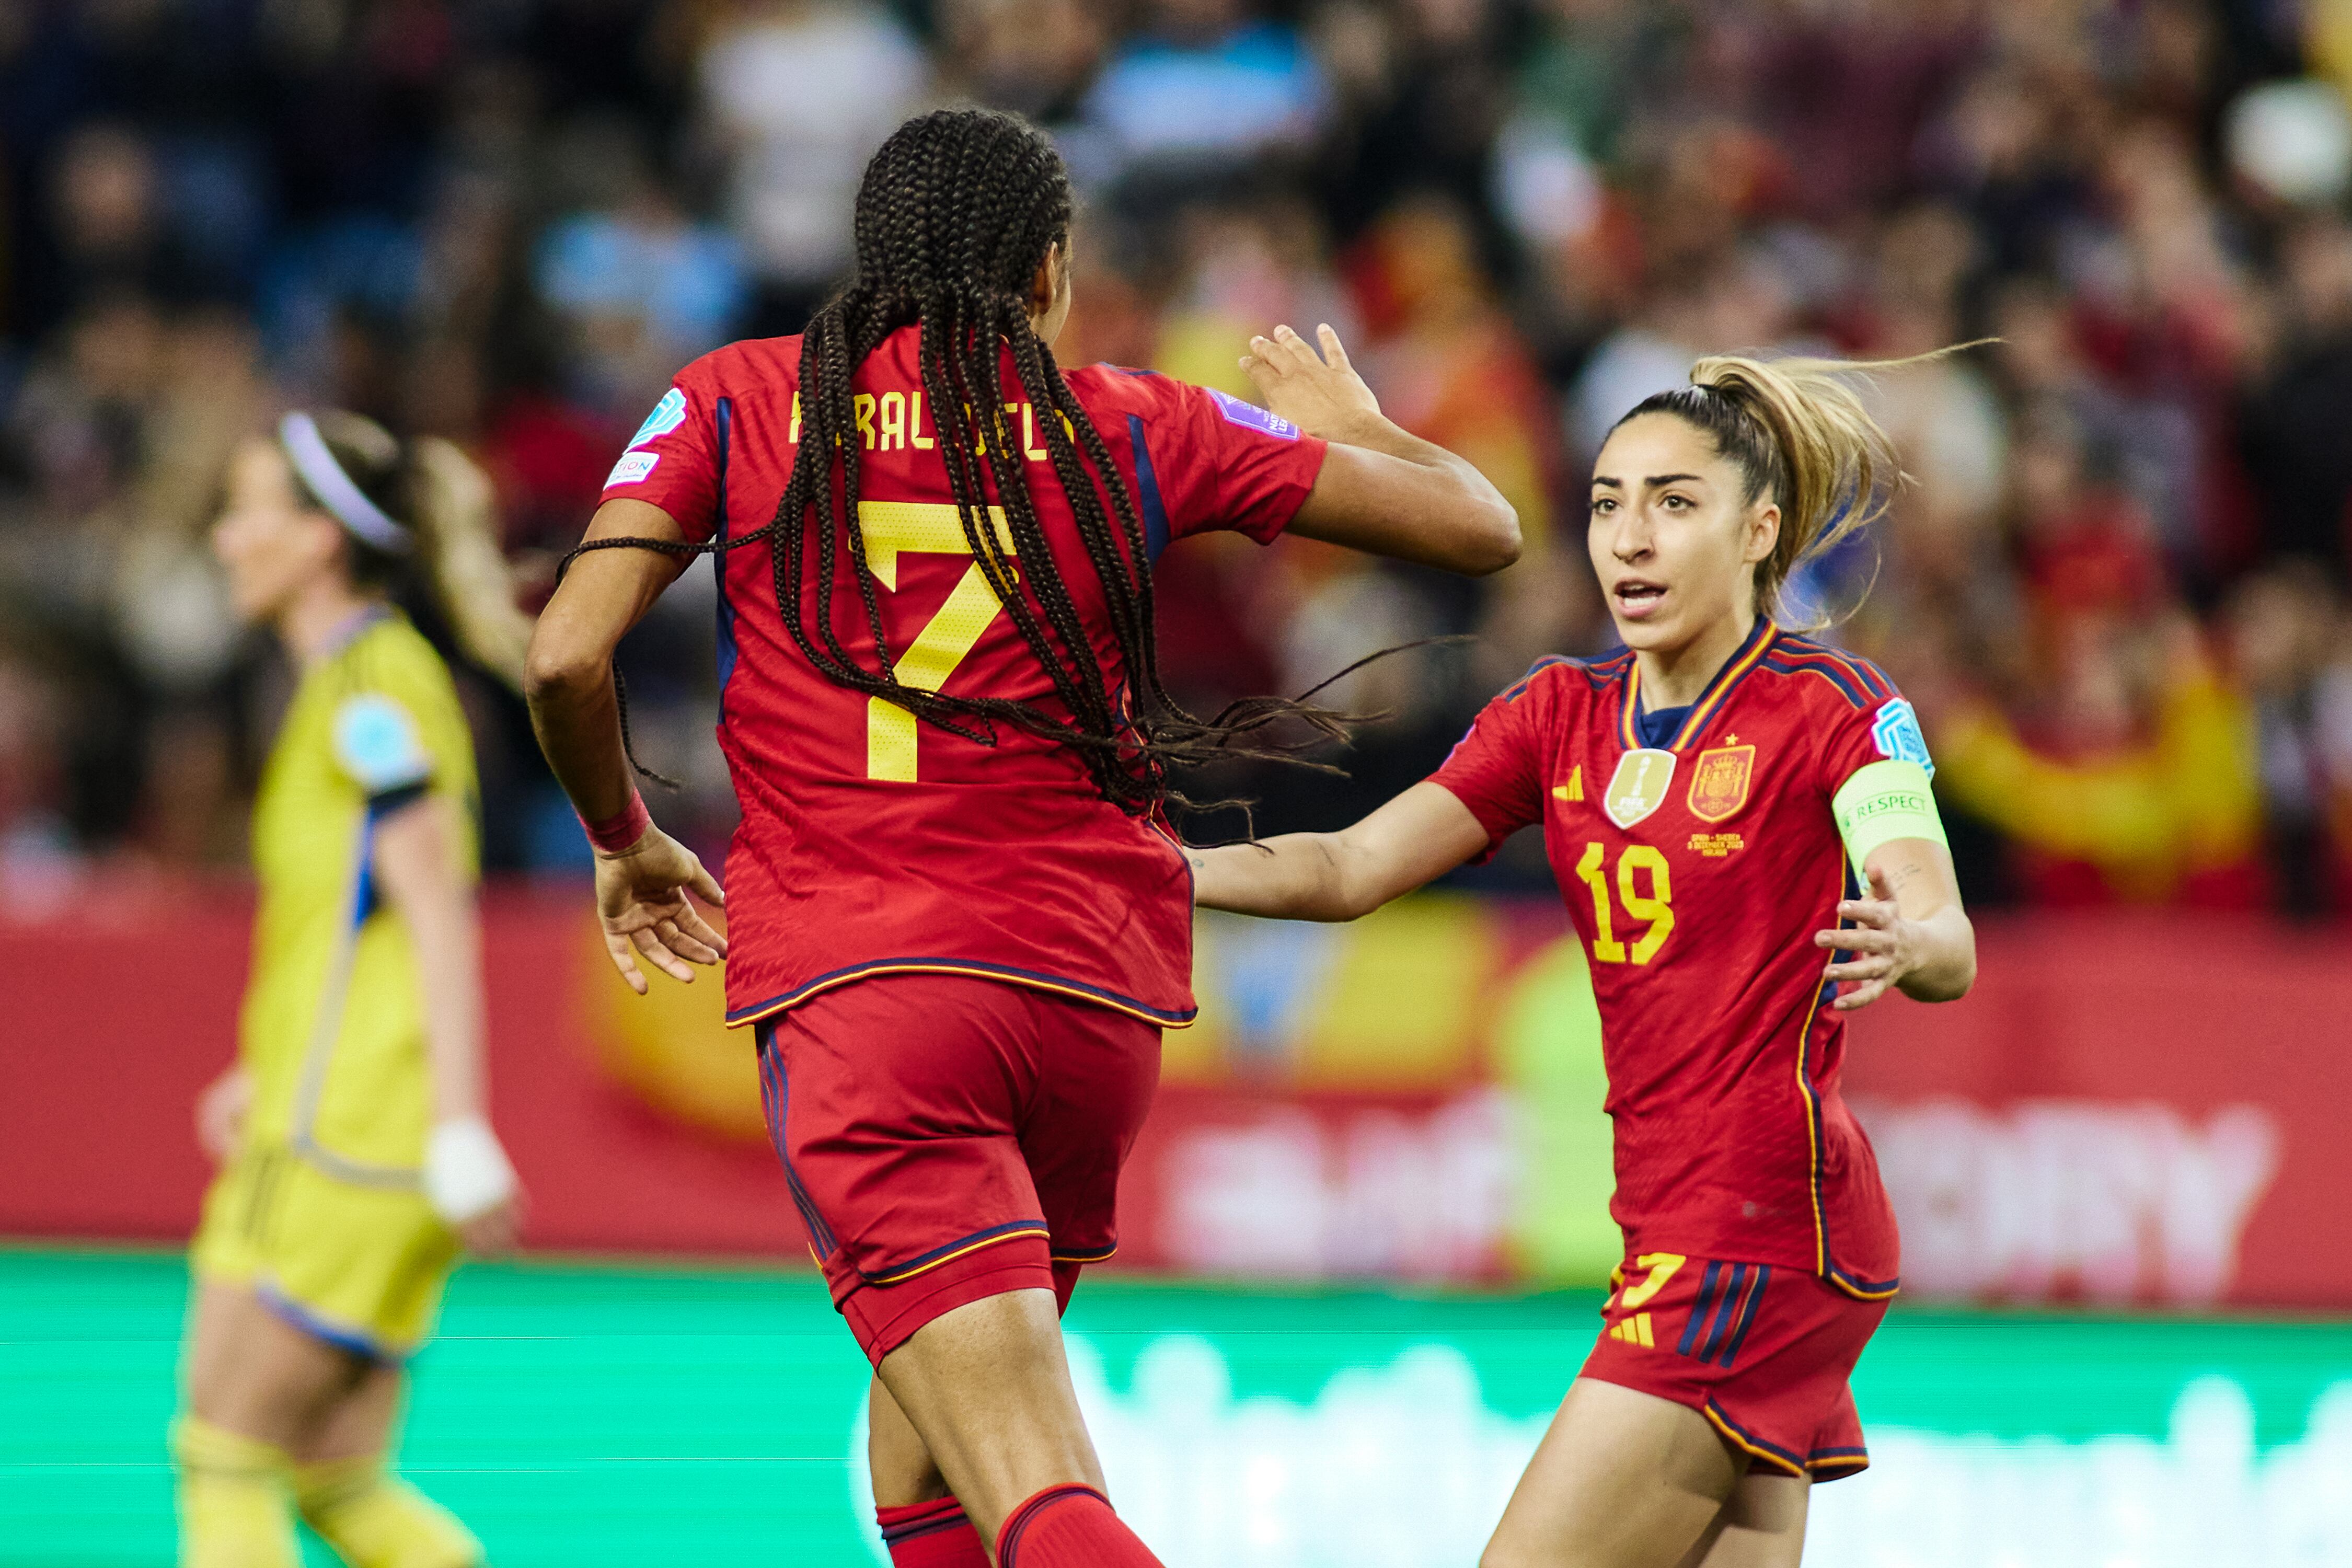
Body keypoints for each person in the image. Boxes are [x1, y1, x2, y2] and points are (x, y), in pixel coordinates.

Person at [524, 108, 1517, 1568]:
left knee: (1041, 1492)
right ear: (1047, 271)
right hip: (1088, 1000)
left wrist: (620, 834)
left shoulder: (736, 399)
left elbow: (562, 659)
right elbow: (1482, 527)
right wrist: (1355, 426)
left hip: (875, 994)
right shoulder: (1131, 417)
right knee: (928, 1442)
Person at [1191, 353, 1978, 1568]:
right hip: (1678, 1229)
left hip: (1759, 1234)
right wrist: (1154, 868)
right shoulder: (1556, 713)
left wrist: (1916, 938)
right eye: (1609, 503)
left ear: (1759, 530)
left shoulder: (1834, 707)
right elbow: (1348, 871)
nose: (1631, 539)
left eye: (1674, 503)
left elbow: (1936, 919)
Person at [177, 411, 532, 1568]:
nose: (225, 538)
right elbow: (345, 927)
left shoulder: (375, 693)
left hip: (356, 1138)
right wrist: (257, 1067)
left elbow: (436, 909)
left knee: (224, 1456)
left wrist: (460, 1127)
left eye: (248, 512)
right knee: (337, 1484)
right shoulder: (352, 683)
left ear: (318, 541)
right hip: (323, 1117)